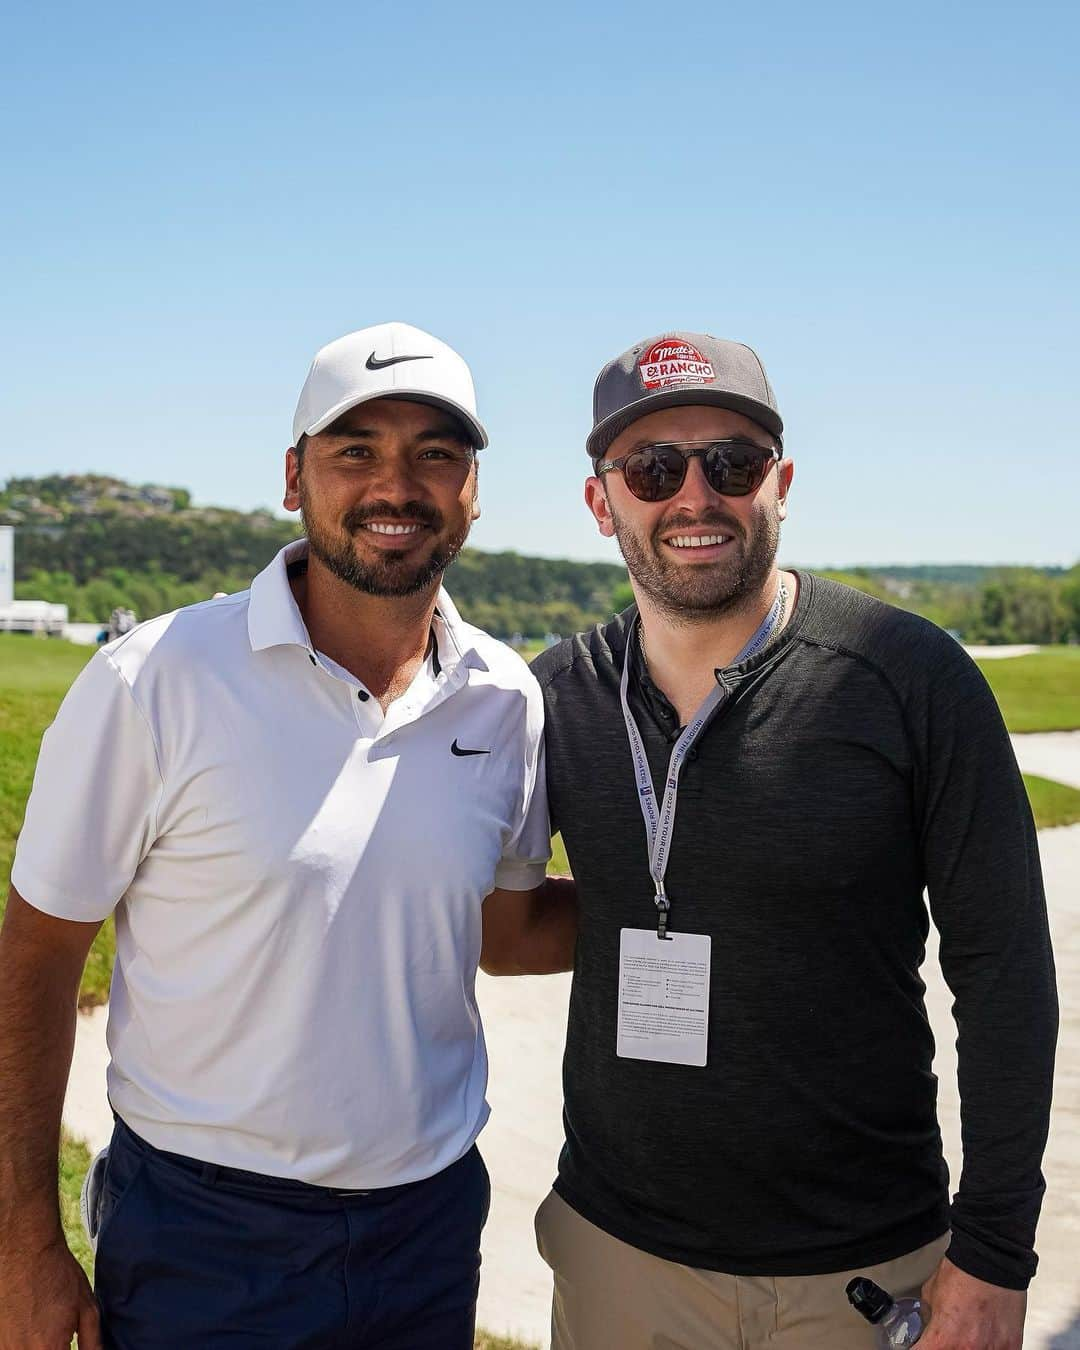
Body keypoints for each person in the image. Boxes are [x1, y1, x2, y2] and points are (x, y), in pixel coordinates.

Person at [0, 321, 574, 1350]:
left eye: (435, 454)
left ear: (473, 491)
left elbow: (503, 930)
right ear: (292, 476)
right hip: (204, 1234)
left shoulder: (503, 699)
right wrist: (21, 1247)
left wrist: (711, 897)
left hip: (429, 1224)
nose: (395, 485)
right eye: (355, 450)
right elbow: (35, 960)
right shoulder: (155, 681)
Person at [523, 332, 1058, 1349]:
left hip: (863, 1271)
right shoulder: (553, 698)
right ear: (602, 503)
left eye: (731, 462)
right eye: (651, 468)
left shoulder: (909, 676)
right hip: (619, 1263)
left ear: (781, 483)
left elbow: (1005, 973)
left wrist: (995, 1252)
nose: (694, 496)